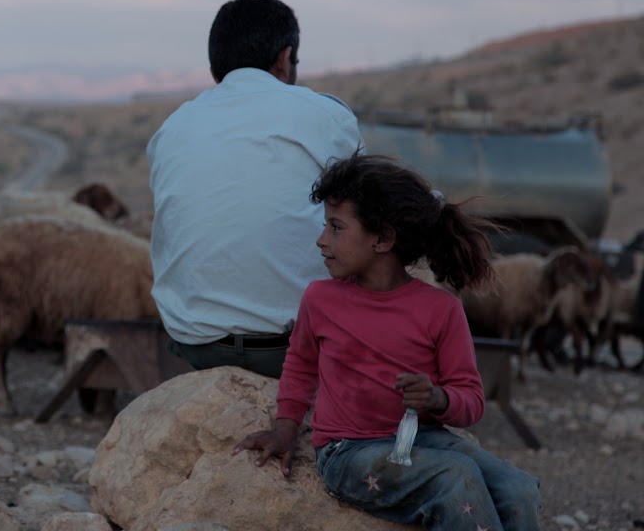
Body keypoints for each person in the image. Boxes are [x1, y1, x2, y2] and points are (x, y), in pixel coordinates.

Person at [232, 152, 541, 530]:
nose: (321, 240)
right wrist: (285, 429)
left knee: (519, 489)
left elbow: (472, 401)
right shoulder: (320, 299)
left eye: (336, 227)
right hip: (349, 453)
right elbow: (300, 365)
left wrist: (438, 398)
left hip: (423, 440)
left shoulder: (441, 309)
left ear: (383, 239)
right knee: (454, 476)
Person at [147, 0, 363, 378]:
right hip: (296, 348)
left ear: (217, 68)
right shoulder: (322, 114)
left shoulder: (172, 129)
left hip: (195, 343)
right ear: (285, 58)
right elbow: (370, 200)